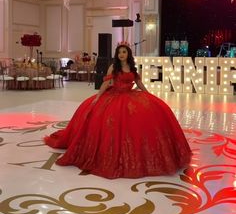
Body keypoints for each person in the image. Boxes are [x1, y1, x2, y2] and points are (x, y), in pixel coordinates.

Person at [44, 42, 192, 179]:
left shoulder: (132, 68)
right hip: (114, 96)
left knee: (142, 120)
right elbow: (106, 83)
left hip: (130, 96)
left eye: (124, 52)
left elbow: (138, 83)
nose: (122, 54)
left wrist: (147, 94)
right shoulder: (113, 67)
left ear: (128, 54)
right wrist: (98, 96)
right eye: (119, 52)